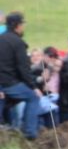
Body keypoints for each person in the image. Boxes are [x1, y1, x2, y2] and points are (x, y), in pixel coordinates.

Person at [0, 12, 41, 140]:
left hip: (2, 84)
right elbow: (23, 68)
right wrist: (33, 86)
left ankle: (11, 127)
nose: (23, 27)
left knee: (11, 101)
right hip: (10, 83)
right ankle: (29, 132)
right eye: (23, 24)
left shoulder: (1, 39)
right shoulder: (18, 42)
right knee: (33, 97)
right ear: (17, 25)